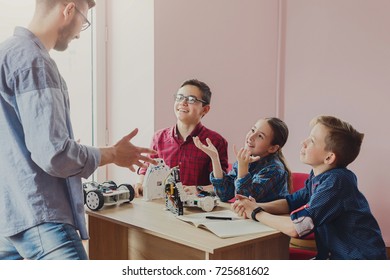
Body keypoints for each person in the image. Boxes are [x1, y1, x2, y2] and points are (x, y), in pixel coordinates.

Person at [0, 0, 157, 260]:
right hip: (42, 216)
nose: (78, 32)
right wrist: (113, 154)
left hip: (9, 217)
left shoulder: (6, 53)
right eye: (83, 21)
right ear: (68, 10)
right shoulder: (36, 63)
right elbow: (54, 155)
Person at [232, 116, 387, 260]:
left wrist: (255, 212)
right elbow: (291, 202)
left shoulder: (337, 182)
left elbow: (298, 227)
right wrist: (255, 205)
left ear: (329, 157)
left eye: (312, 141)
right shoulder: (319, 176)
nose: (303, 142)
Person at [135, 79, 229, 196]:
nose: (183, 102)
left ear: (205, 109)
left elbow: (223, 186)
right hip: (161, 206)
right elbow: (147, 168)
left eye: (191, 99)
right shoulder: (159, 138)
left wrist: (198, 189)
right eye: (179, 97)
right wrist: (140, 183)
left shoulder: (216, 142)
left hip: (197, 210)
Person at [194, 117, 291, 202]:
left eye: (260, 136)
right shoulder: (245, 159)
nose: (251, 137)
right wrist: (215, 158)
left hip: (268, 220)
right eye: (253, 130)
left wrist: (243, 166)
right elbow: (224, 194)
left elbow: (244, 200)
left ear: (272, 148)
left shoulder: (275, 169)